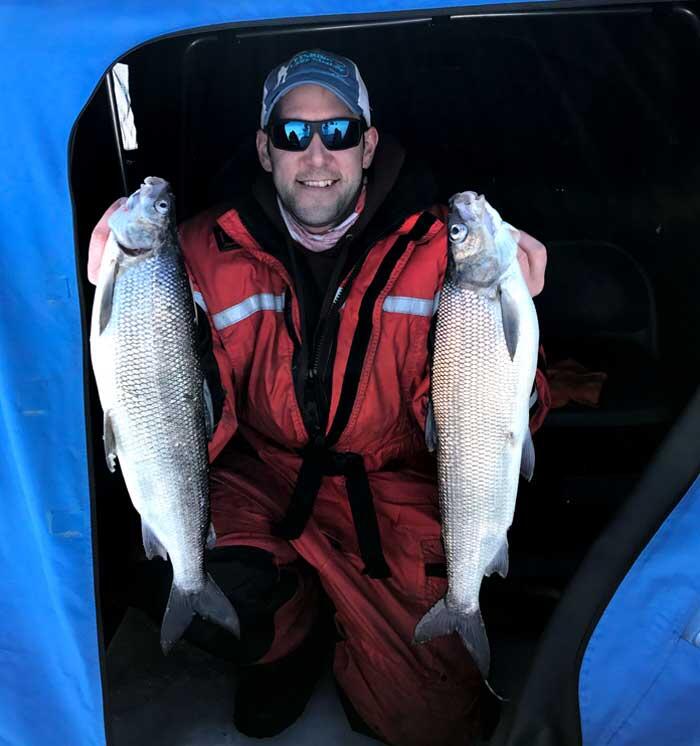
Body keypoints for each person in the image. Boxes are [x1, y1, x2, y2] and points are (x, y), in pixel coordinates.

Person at [89, 49, 550, 746]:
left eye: (336, 132)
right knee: (192, 573)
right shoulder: (192, 250)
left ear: (367, 145)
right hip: (265, 478)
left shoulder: (444, 254)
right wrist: (110, 285)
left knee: (425, 722)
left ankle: (364, 626)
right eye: (291, 133)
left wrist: (514, 316)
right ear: (263, 149)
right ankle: (288, 643)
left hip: (386, 492)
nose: (315, 155)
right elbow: (193, 426)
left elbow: (485, 417)